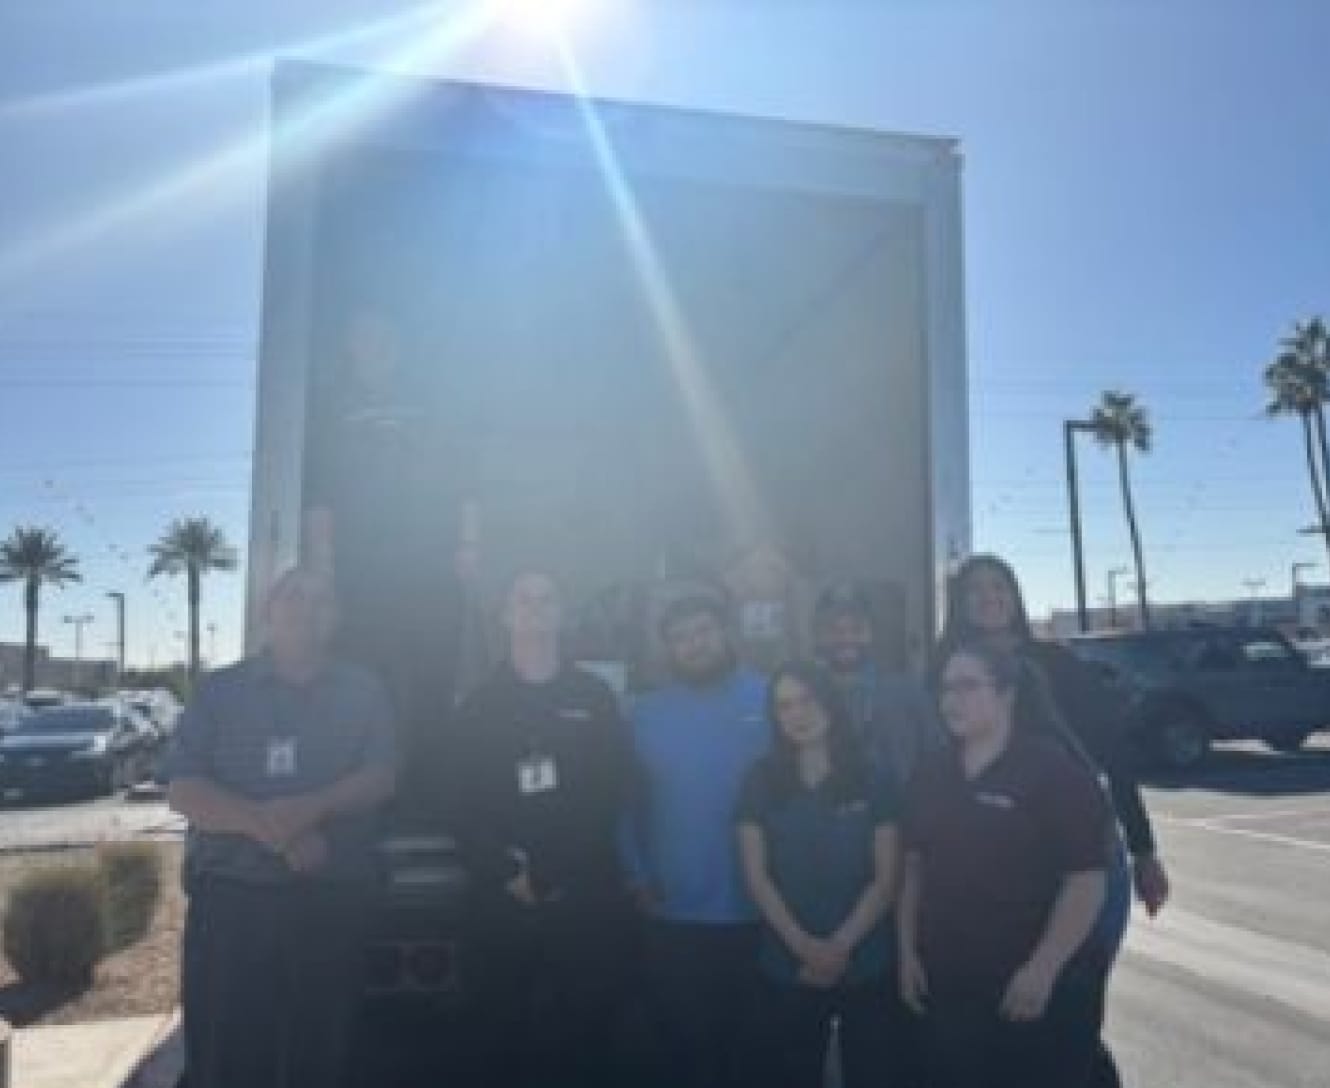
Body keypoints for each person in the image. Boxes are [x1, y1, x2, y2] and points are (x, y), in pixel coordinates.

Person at [939, 553, 1171, 1086]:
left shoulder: (1056, 663)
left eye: (999, 587)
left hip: (1085, 857)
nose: (989, 597)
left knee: (1074, 1005)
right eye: (976, 590)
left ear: (1016, 596)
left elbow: (1112, 752)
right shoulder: (944, 668)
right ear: (960, 603)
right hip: (993, 869)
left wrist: (1144, 849)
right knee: (1010, 1014)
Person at [165, 567, 398, 1088]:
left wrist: (314, 807)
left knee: (323, 1054)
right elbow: (182, 788)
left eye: (320, 599)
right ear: (266, 611)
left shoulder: (364, 690)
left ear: (335, 618)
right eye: (291, 596)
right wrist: (272, 828)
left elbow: (384, 775)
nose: (304, 609)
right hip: (232, 906)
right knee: (228, 1058)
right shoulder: (219, 692)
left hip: (331, 901)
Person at [450, 568, 634, 1088]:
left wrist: (554, 870)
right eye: (524, 601)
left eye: (546, 600)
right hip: (500, 898)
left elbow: (610, 790)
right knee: (496, 1037)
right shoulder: (479, 705)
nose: (535, 610)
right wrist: (504, 869)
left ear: (561, 613)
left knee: (585, 1038)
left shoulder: (594, 697)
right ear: (506, 615)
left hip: (583, 899)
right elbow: (459, 800)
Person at [899, 640, 1109, 1087]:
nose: (951, 700)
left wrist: (1042, 969)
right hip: (952, 986)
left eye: (967, 686)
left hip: (1034, 991)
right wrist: (906, 952)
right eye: (944, 689)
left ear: (1008, 694)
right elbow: (913, 867)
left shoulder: (1053, 773)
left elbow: (1087, 879)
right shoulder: (930, 772)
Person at [621, 590, 771, 1088]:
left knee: (759, 1057)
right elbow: (622, 804)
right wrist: (637, 876)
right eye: (680, 638)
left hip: (763, 912)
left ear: (726, 631)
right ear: (668, 650)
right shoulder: (643, 714)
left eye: (703, 631)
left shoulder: (771, 698)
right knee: (688, 1058)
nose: (694, 645)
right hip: (675, 915)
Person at [735, 661, 900, 1088]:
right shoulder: (760, 779)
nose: (797, 714)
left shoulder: (873, 775)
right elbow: (756, 877)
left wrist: (839, 947)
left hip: (866, 961)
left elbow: (887, 877)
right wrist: (805, 948)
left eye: (806, 700)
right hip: (788, 963)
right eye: (784, 706)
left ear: (829, 701)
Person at [812, 580, 945, 793]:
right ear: (818, 637)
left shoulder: (909, 693)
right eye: (833, 629)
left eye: (856, 628)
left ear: (872, 633)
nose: (846, 638)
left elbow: (940, 761)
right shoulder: (807, 699)